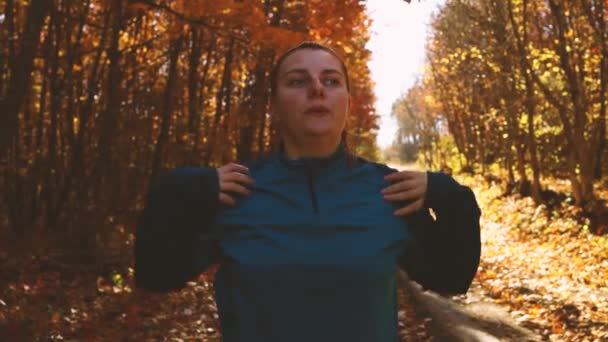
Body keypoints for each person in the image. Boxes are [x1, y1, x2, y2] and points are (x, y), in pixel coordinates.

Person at [135, 41, 481, 342]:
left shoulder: (388, 191)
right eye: (297, 81)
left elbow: (452, 276)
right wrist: (177, 189)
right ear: (273, 105)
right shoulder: (236, 190)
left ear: (347, 101)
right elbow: (157, 274)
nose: (317, 89)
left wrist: (449, 195)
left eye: (331, 81)